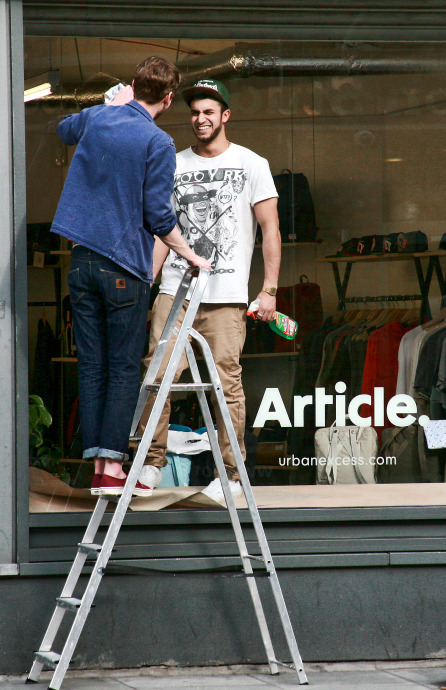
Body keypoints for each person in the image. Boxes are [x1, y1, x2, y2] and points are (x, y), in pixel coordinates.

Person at [50, 57, 211, 498]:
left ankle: (98, 467)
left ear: (133, 86)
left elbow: (63, 129)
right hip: (122, 267)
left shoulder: (99, 118)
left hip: (81, 261)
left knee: (93, 365)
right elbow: (158, 214)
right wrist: (188, 253)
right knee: (122, 367)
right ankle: (111, 467)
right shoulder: (157, 141)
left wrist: (111, 104)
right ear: (169, 98)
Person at [137, 78, 281, 505]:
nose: (200, 119)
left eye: (208, 112)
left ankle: (231, 475)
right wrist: (149, 281)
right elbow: (162, 230)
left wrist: (269, 290)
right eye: (195, 112)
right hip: (176, 289)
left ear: (225, 116)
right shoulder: (173, 163)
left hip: (226, 293)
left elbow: (271, 229)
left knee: (226, 383)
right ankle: (150, 463)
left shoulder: (252, 164)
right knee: (157, 376)